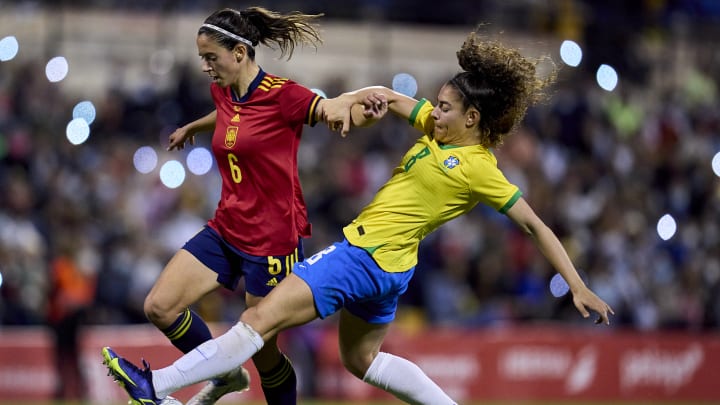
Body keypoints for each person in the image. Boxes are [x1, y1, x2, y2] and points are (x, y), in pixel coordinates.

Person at [102, 29, 615, 405]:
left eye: (442, 107)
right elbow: (391, 98)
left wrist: (576, 284)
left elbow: (535, 225)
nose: (431, 113)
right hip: (393, 271)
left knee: (257, 320)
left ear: (471, 119)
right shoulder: (440, 133)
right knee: (361, 361)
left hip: (362, 256)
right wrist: (358, 103)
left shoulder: (482, 170)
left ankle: (159, 383)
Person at [127, 7, 376, 405]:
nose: (206, 68)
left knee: (263, 352)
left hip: (272, 241)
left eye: (212, 58)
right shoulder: (223, 92)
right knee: (159, 305)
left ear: (240, 53)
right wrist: (194, 127)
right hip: (227, 227)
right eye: (202, 59)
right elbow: (230, 116)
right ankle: (224, 374)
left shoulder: (285, 96)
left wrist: (358, 109)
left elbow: (326, 108)